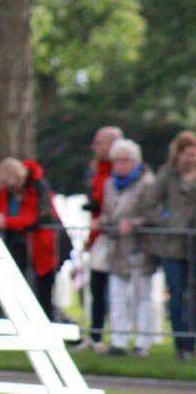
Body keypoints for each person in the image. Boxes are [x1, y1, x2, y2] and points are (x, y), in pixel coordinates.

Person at [0, 157, 62, 318]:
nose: (12, 188)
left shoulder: (37, 187)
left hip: (41, 247)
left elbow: (35, 218)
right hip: (16, 246)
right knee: (15, 286)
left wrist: (6, 221)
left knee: (42, 290)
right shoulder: (4, 193)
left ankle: (46, 325)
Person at [143, 130, 196, 359]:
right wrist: (167, 222)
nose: (191, 159)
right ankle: (181, 344)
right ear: (178, 154)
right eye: (188, 155)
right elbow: (150, 204)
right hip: (174, 245)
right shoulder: (167, 175)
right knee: (176, 294)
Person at [101, 138, 156, 356]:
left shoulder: (148, 183)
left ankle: (143, 342)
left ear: (135, 161)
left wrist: (133, 224)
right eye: (117, 160)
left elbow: (152, 213)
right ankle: (118, 340)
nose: (120, 164)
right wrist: (105, 223)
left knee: (142, 295)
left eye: (125, 160)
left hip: (140, 246)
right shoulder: (109, 183)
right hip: (116, 247)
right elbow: (107, 212)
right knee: (117, 296)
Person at [79, 125, 123, 350]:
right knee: (97, 286)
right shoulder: (98, 170)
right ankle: (96, 335)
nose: (94, 147)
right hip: (99, 234)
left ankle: (114, 339)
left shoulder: (115, 171)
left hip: (116, 236)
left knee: (114, 290)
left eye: (98, 142)